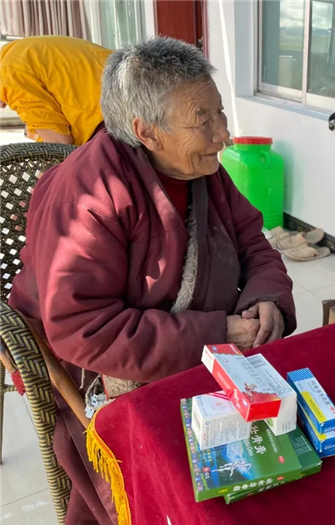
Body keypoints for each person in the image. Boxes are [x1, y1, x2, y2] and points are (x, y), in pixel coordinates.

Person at [9, 37, 296, 524]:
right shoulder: (87, 197)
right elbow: (84, 329)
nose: (222, 134)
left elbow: (253, 240)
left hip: (201, 346)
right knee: (176, 493)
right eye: (202, 120)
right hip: (108, 365)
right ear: (147, 132)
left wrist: (266, 298)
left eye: (219, 113)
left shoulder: (198, 167)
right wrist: (218, 332)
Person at [0, 35, 111, 145]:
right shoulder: (15, 51)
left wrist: (37, 134)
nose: (2, 106)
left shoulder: (10, 77)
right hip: (122, 77)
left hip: (115, 112)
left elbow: (60, 144)